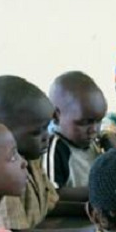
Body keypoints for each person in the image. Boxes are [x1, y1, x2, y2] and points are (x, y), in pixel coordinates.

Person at [0, 75, 87, 232]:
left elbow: (48, 205)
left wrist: (88, 210)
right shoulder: (2, 175)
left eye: (47, 127)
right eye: (37, 132)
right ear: (2, 133)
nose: (48, 137)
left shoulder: (32, 158)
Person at [44, 71, 110, 202]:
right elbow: (52, 194)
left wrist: (114, 152)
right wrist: (101, 192)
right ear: (56, 116)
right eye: (85, 123)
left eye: (99, 121)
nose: (94, 130)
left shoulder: (95, 142)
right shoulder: (53, 147)